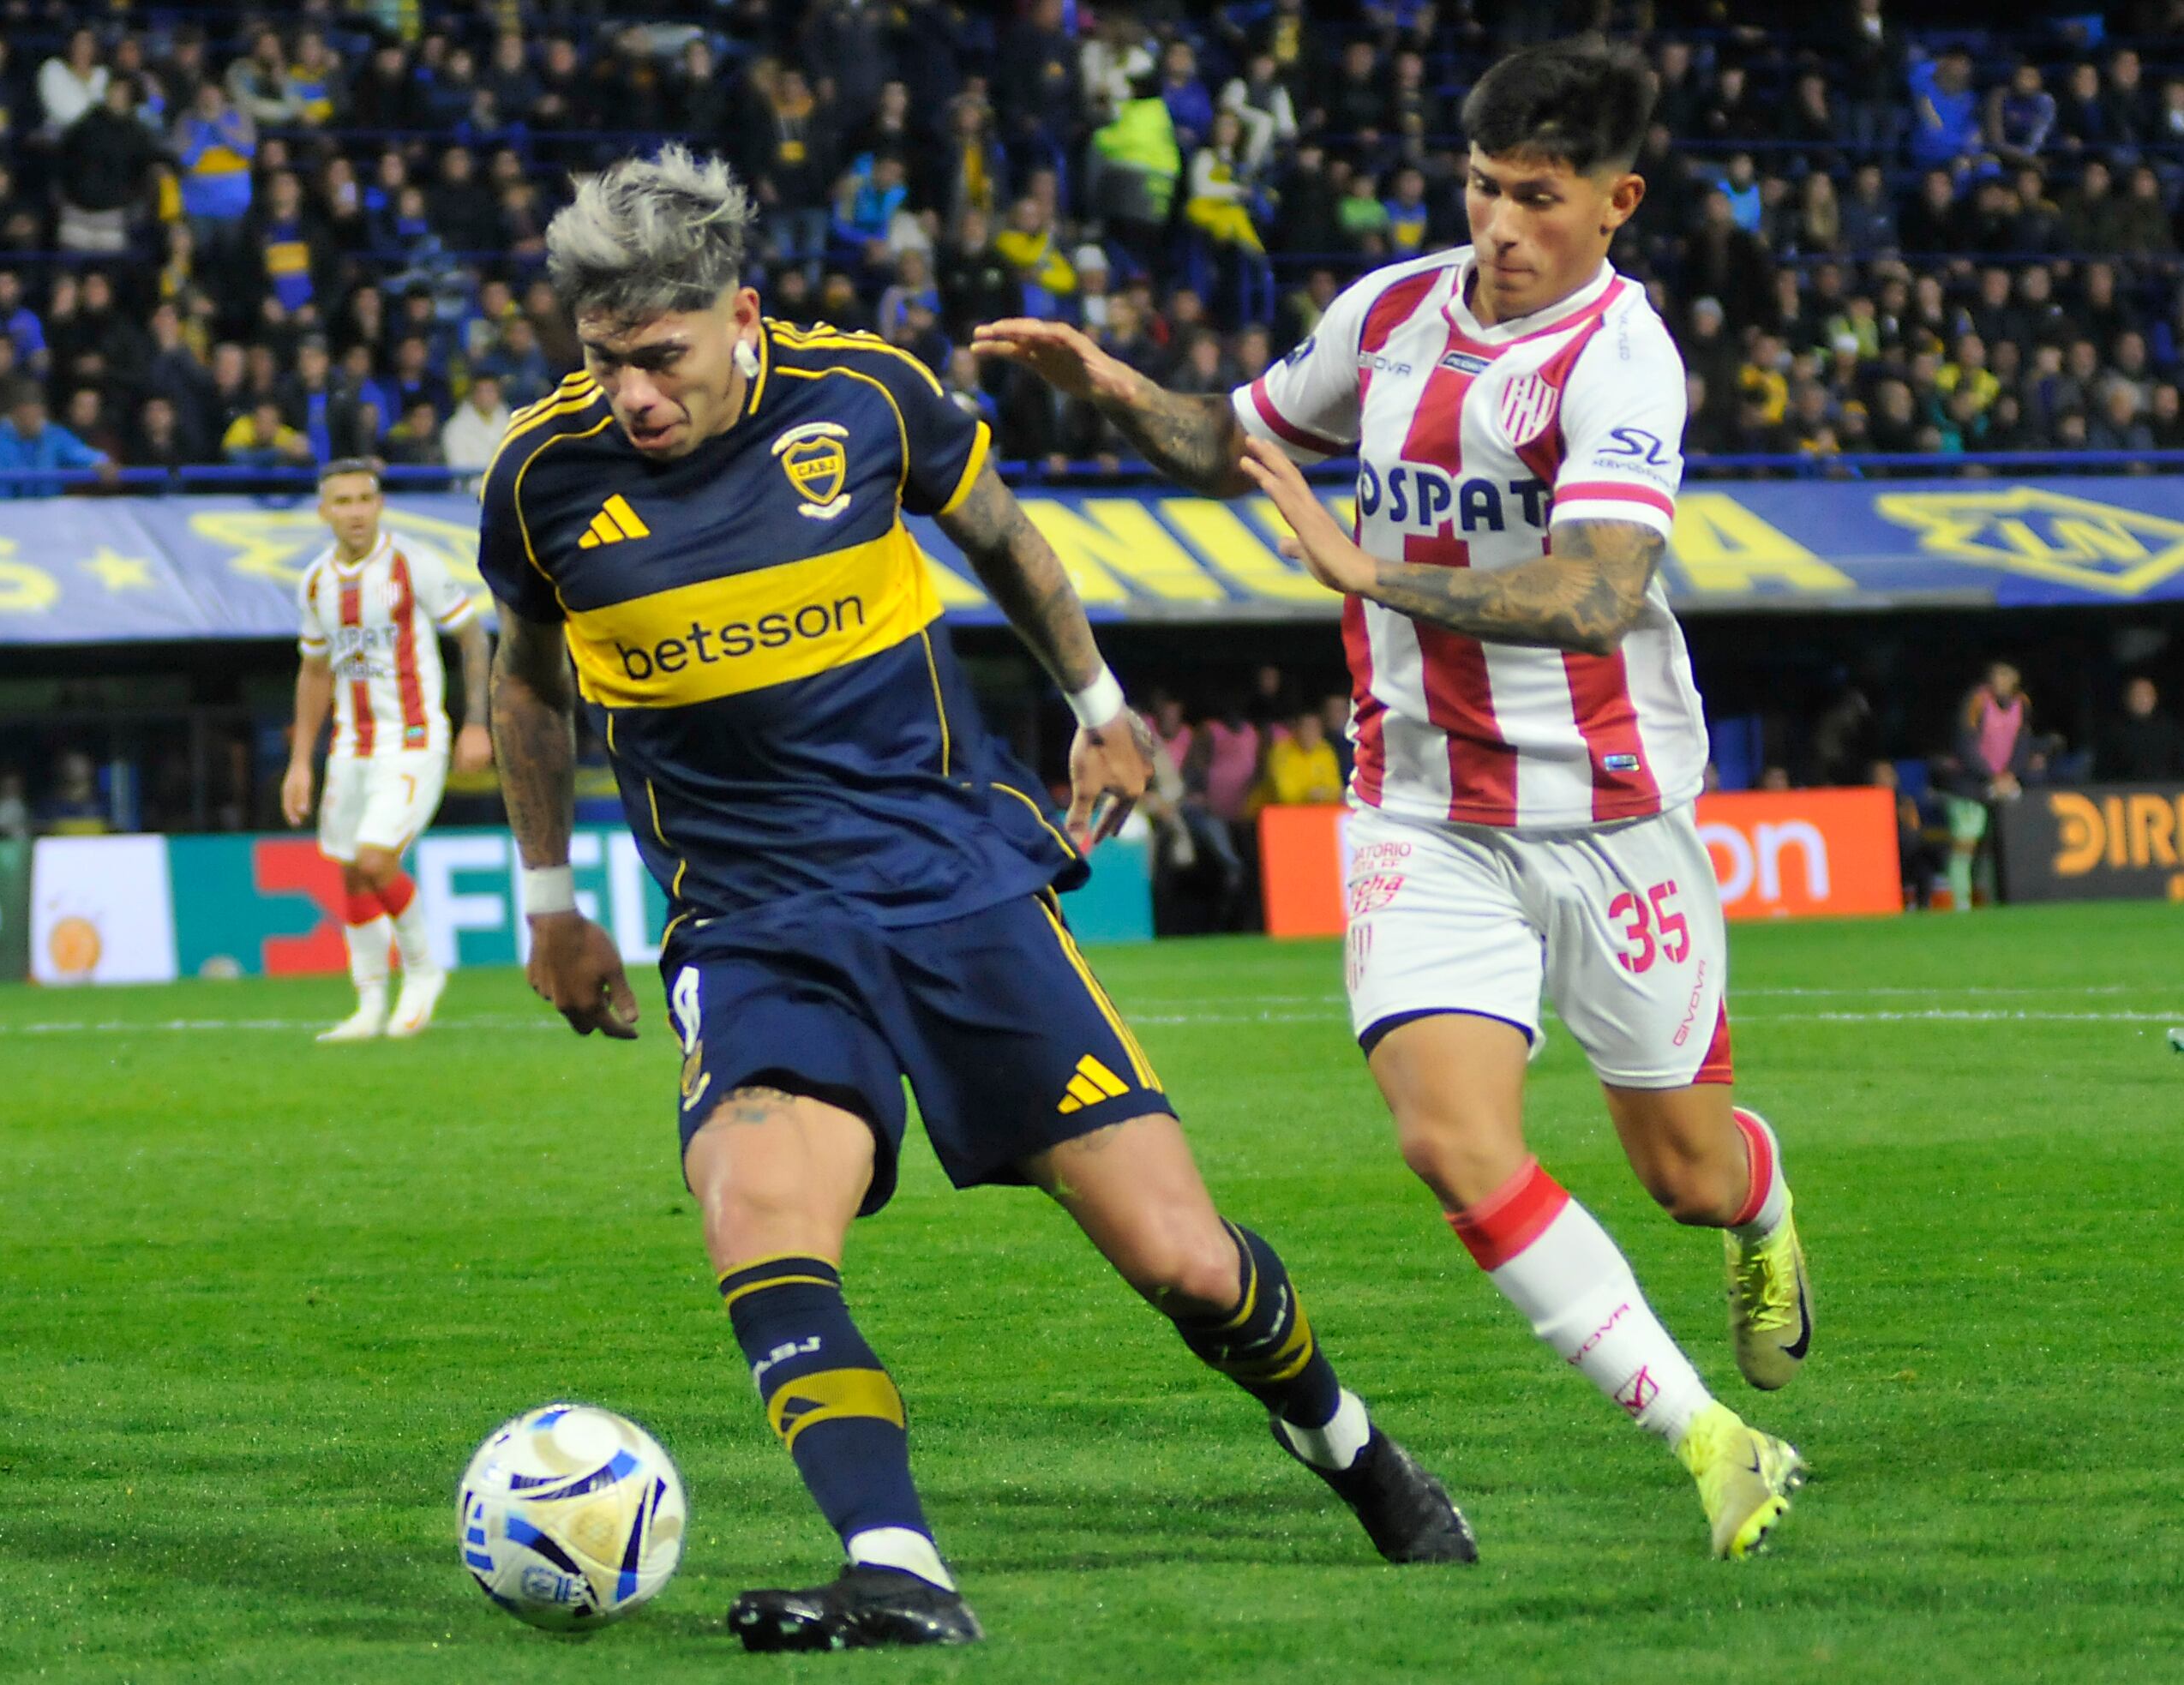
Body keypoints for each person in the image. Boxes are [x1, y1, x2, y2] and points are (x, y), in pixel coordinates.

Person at [479, 148, 1472, 1657]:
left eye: (660, 358)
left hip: (951, 884)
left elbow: (1003, 535)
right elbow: (524, 678)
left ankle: (1348, 1446)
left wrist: (1095, 702)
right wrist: (546, 900)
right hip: (754, 922)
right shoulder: (542, 480)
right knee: (756, 1221)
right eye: (604, 361)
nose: (631, 395)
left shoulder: (866, 400)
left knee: (1184, 1263)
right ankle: (898, 1568)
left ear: (739, 315)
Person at [975, 38, 1808, 1562]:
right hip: (1414, 808)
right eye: (1482, 188)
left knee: (1681, 1173)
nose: (1498, 226)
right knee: (1448, 1142)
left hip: (1601, 806)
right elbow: (1239, 440)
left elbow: (1598, 591)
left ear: (1614, 202)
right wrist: (1114, 390)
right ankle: (1707, 1434)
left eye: (1536, 199)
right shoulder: (1388, 313)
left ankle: (1759, 1214)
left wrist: (1372, 575)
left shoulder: (1621, 361)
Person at [281, 459, 492, 1041]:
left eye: (364, 499)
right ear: (324, 511)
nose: (355, 511)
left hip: (415, 738)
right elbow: (315, 672)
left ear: (379, 505)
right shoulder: (317, 582)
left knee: (375, 859)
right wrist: (301, 762)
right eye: (342, 501)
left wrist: (477, 723)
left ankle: (423, 970)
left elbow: (472, 637)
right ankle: (369, 1002)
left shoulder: (412, 564)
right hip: (351, 746)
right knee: (351, 871)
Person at [1940, 661, 2036, 910]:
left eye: (2005, 674)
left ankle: (1990, 901)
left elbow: (2023, 743)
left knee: (1995, 847)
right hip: (1969, 784)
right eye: (1995, 674)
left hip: (2002, 783)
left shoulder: (2022, 703)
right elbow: (1965, 744)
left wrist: (2010, 774)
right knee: (1965, 844)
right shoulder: (1977, 701)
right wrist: (1991, 775)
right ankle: (1959, 903)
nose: (1999, 679)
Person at [2097, 674, 2184, 782]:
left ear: (2155, 697)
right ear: (2127, 698)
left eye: (2146, 695)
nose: (2142, 699)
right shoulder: (2113, 733)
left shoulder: (2170, 730)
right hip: (2125, 793)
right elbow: (2103, 773)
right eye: (2137, 695)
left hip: (2167, 793)